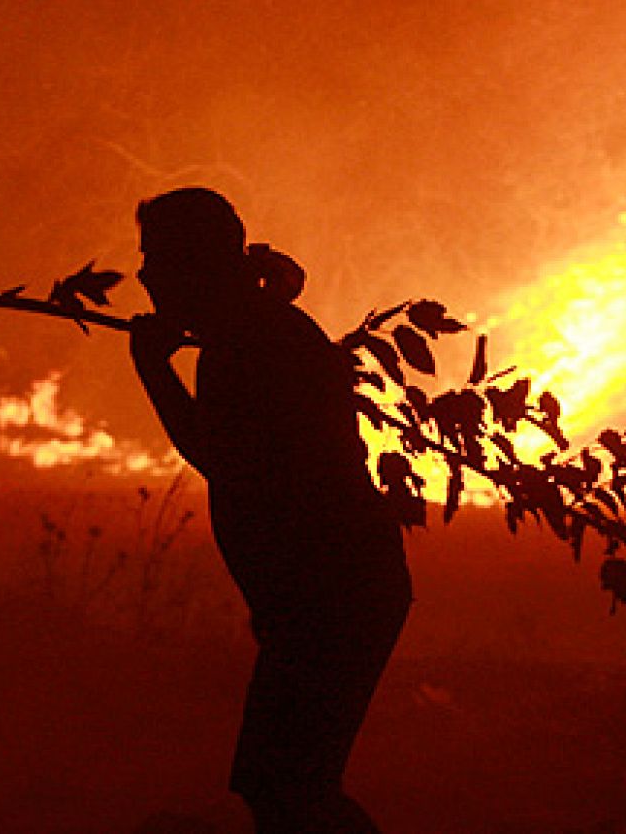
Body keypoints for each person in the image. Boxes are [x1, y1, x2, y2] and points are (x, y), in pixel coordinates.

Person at [129, 188, 412, 833]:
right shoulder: (252, 333)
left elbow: (223, 458)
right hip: (329, 594)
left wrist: (152, 370)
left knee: (287, 789)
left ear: (192, 263)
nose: (144, 276)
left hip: (334, 595)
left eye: (155, 259)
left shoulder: (251, 345)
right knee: (289, 788)